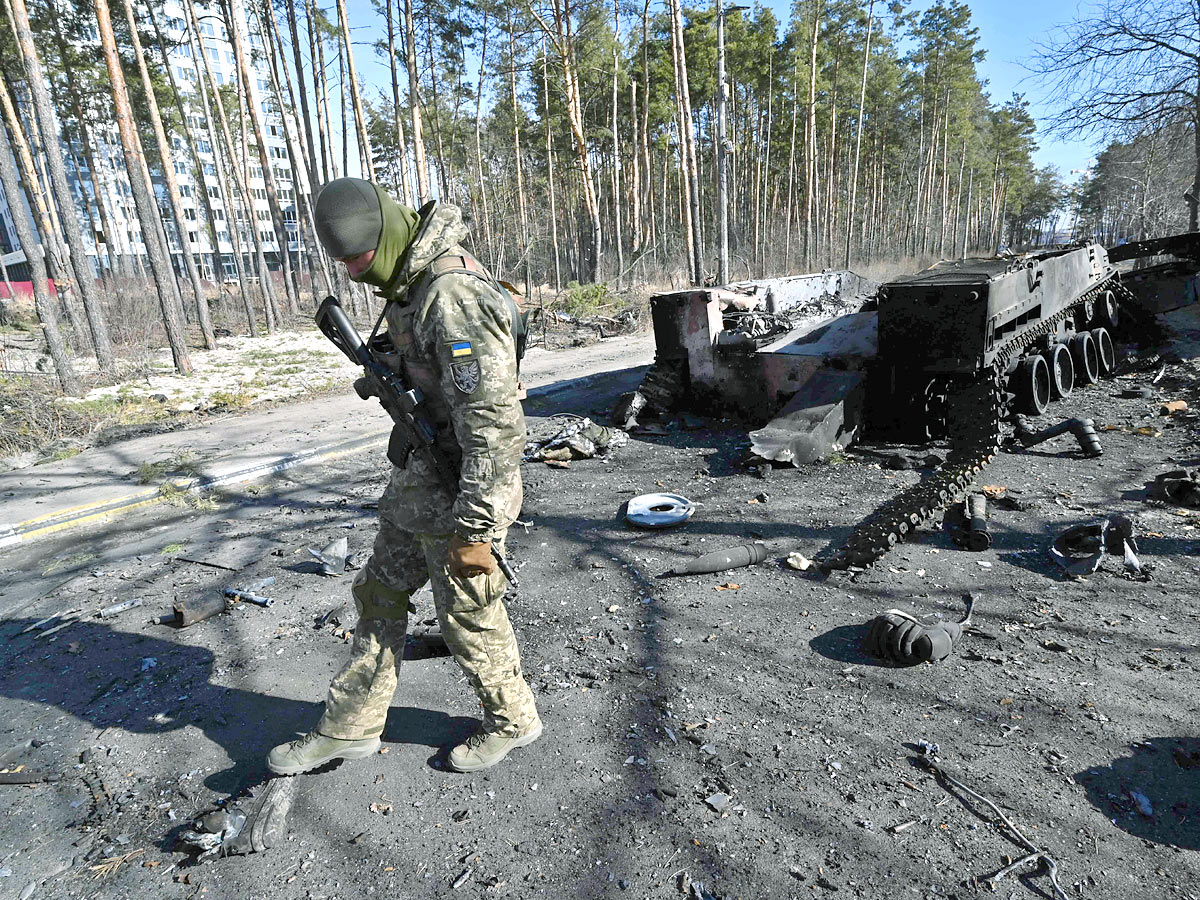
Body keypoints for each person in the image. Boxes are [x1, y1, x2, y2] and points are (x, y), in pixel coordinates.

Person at [268, 178, 541, 775]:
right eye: (339, 262)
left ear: (383, 236)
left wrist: (477, 528)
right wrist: (388, 370)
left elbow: (494, 425)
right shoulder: (408, 284)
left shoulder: (452, 294)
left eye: (355, 259)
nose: (349, 274)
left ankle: (514, 719)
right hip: (420, 478)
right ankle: (350, 727)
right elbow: (428, 367)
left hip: (464, 486)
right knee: (379, 593)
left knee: (468, 613)